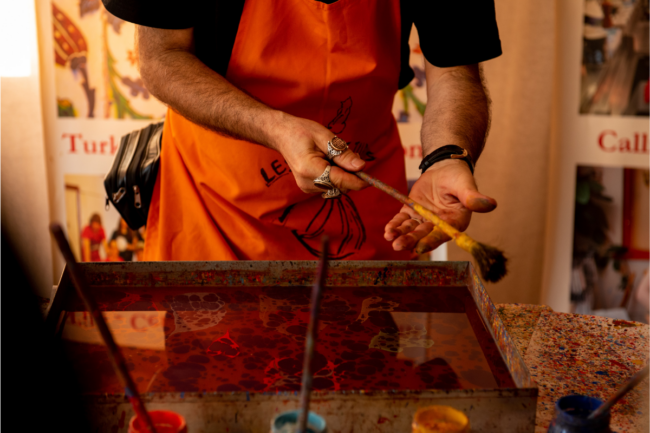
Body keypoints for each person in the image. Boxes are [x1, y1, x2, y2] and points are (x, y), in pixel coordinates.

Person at [103, 0, 501, 261]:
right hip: (216, 208)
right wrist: (273, 127)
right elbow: (162, 57)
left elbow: (455, 71)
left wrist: (448, 155)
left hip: (365, 203)